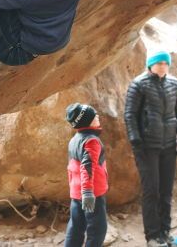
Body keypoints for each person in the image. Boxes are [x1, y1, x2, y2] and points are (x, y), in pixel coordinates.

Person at [125, 51, 177, 247]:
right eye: (158, 63)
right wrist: (135, 139)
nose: (162, 66)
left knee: (166, 191)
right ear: (150, 65)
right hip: (146, 148)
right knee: (151, 191)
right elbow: (130, 114)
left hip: (169, 146)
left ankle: (165, 232)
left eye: (165, 63)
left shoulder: (174, 84)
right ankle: (152, 236)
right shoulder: (138, 84)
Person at [65, 103, 109, 247]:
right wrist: (88, 192)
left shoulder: (74, 139)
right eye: (94, 116)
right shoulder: (91, 141)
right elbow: (87, 166)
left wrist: (77, 190)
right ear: (87, 121)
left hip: (76, 192)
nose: (98, 117)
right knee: (98, 230)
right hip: (91, 194)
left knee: (76, 227)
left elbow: (72, 166)